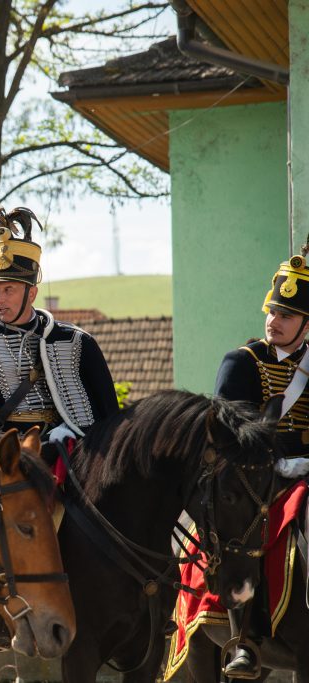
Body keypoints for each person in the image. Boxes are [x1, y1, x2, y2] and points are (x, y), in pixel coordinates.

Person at [0, 206, 118, 438]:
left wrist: (73, 431)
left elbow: (108, 414)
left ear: (32, 294)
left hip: (58, 447)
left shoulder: (76, 341)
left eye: (9, 290)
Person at [214, 242, 309, 678]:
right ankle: (245, 639)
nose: (274, 321)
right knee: (243, 533)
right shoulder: (242, 362)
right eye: (271, 311)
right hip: (255, 476)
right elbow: (230, 434)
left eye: (286, 315)